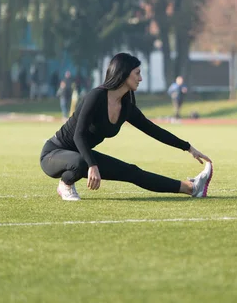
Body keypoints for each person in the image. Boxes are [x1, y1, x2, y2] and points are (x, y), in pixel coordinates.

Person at [40, 52, 213, 201]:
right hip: (54, 154)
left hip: (82, 155)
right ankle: (66, 184)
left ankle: (191, 188)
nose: (141, 78)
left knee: (132, 172)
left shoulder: (126, 106)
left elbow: (153, 130)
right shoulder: (96, 96)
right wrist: (92, 165)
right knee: (79, 162)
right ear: (123, 74)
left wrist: (188, 147)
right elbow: (79, 135)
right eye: (137, 73)